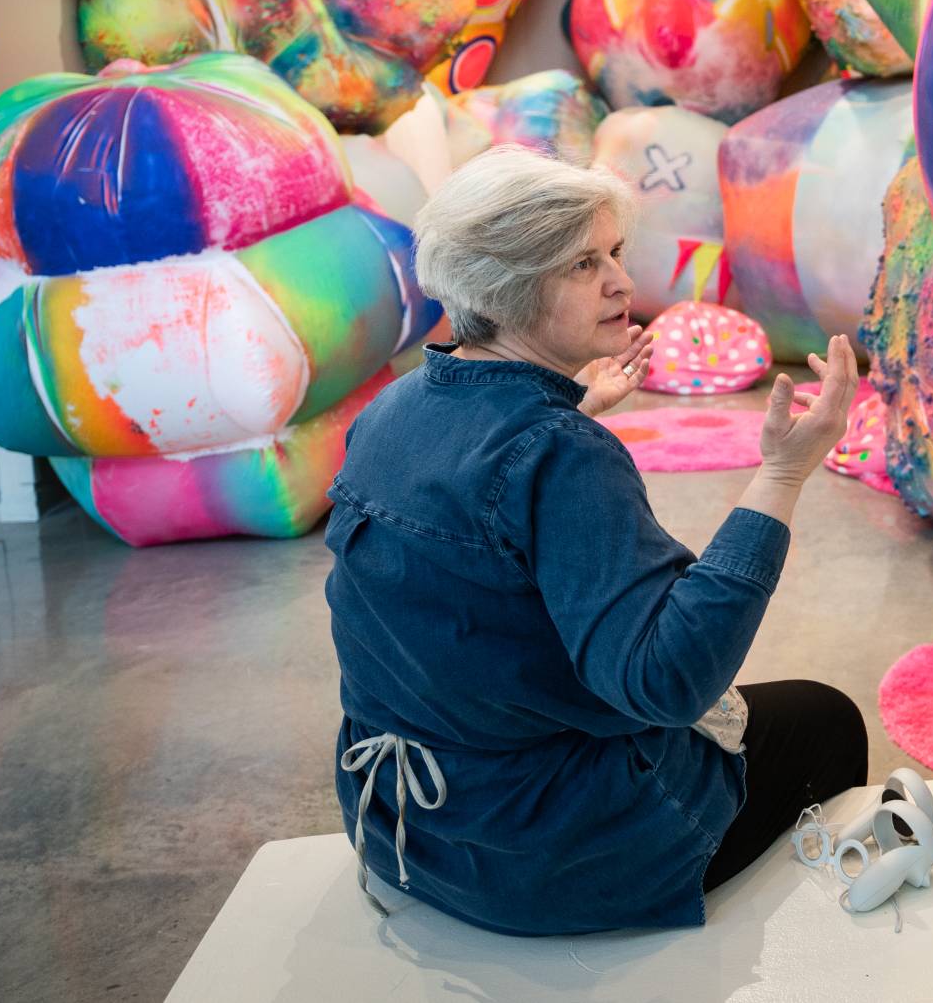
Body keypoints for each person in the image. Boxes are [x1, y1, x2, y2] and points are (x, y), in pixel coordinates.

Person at [323, 146, 866, 935]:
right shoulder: (559, 454)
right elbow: (667, 680)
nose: (621, 280)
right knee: (827, 719)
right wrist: (780, 477)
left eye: (614, 251)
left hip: (405, 828)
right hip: (543, 857)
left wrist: (566, 414)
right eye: (583, 263)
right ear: (505, 288)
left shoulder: (395, 406)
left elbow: (474, 551)